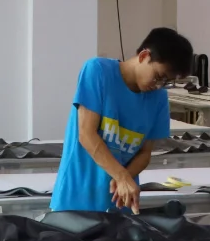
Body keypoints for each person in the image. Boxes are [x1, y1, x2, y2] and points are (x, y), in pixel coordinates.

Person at [51, 27, 194, 212]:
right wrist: (122, 177)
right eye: (158, 77)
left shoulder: (158, 99)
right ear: (144, 56)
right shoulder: (98, 71)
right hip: (76, 197)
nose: (158, 85)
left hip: (120, 202)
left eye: (166, 82)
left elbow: (144, 153)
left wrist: (124, 179)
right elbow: (86, 134)